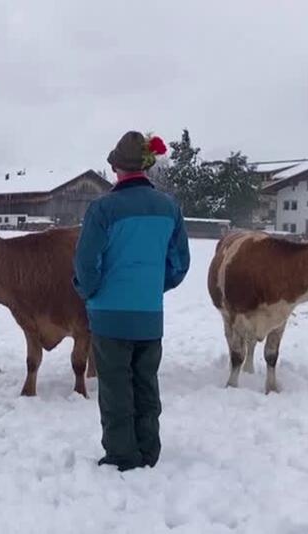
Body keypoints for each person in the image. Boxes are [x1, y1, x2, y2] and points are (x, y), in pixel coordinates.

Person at [73, 131, 190, 472]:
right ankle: (148, 449)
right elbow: (179, 263)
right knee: (145, 383)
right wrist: (153, 287)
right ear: (147, 167)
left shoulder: (102, 209)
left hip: (109, 317)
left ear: (116, 169)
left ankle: (123, 455)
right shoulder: (170, 208)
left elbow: (85, 263)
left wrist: (89, 291)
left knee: (114, 388)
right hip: (150, 316)